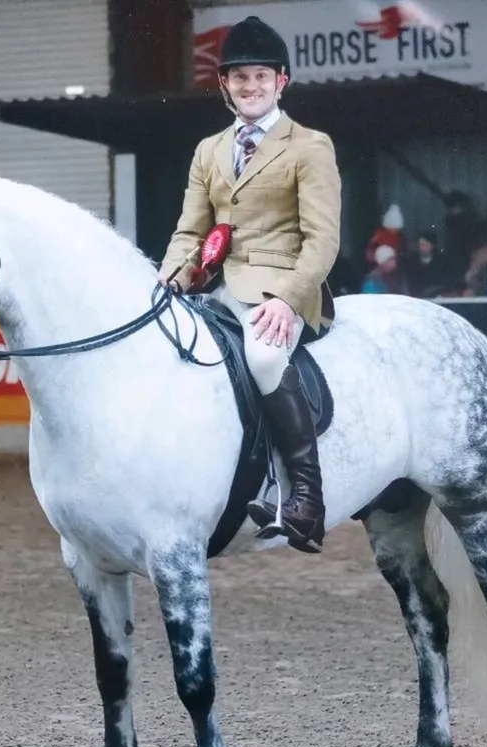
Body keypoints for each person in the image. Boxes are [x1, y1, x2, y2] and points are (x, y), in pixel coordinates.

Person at [158, 15, 341, 554]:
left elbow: (323, 239)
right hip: (218, 288)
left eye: (261, 77)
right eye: (240, 78)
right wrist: (167, 279)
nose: (251, 86)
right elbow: (190, 231)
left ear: (281, 82)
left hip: (282, 287)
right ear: (225, 85)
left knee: (262, 358)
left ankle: (306, 498)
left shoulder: (309, 145)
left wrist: (288, 298)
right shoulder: (209, 150)